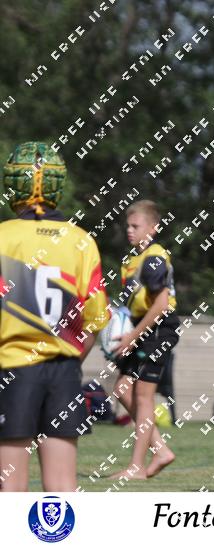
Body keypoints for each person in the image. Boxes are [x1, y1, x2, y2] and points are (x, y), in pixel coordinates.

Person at [0, 142, 110, 491]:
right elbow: (95, 320)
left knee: (10, 488)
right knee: (63, 489)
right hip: (64, 372)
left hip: (13, 369)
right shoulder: (81, 240)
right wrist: (68, 359)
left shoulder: (2, 237)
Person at [108, 200, 179, 480]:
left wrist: (132, 336)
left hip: (158, 329)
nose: (129, 230)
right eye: (128, 225)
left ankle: (137, 467)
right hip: (141, 328)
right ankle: (160, 450)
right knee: (122, 389)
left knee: (142, 396)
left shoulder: (154, 257)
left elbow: (161, 305)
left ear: (153, 228)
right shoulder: (131, 260)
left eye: (136, 226)